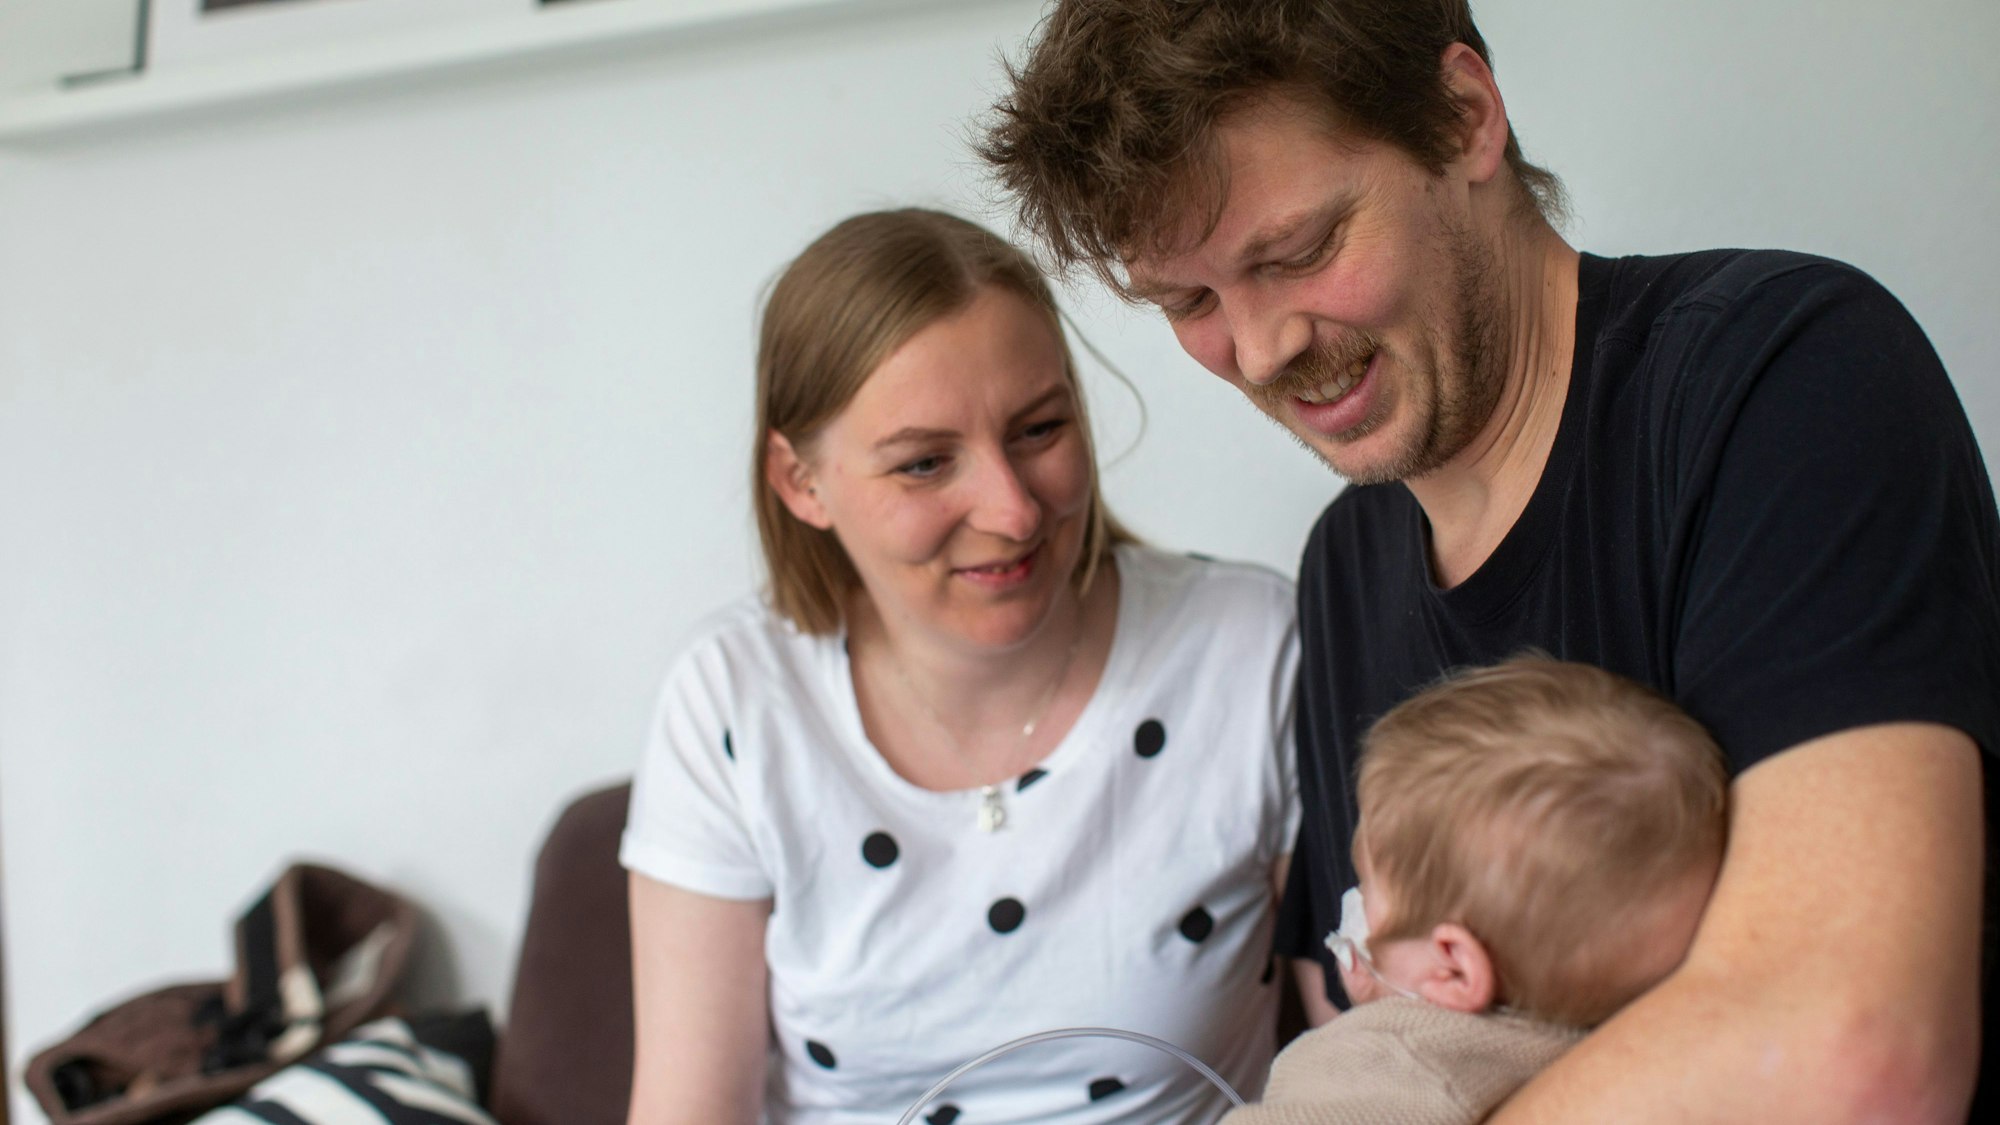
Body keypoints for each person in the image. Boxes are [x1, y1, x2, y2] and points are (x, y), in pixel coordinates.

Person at [980, 1, 2000, 1120]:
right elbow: (1361, 1015)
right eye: (1188, 301)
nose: (1262, 348)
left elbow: (1851, 1053)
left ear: (1463, 117)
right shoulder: (1345, 569)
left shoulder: (1780, 380)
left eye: (1301, 251)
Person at [618, 208, 1301, 1125]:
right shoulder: (734, 701)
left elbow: (1384, 1048)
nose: (1014, 511)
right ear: (801, 482)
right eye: (926, 462)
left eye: (1039, 429)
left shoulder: (1252, 647)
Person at [1222, 656, 1727, 1125]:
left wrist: (1386, 1010)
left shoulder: (1394, 1059)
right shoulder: (1640, 1051)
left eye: (1368, 888)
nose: (1353, 902)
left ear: (1454, 967)